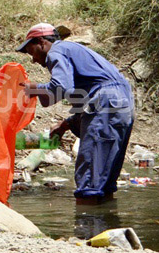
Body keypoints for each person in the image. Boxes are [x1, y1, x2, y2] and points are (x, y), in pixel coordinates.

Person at [16, 22, 134, 204]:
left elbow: (61, 87)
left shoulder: (56, 51)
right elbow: (90, 96)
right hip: (123, 103)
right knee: (105, 178)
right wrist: (66, 125)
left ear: (41, 42)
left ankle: (85, 227)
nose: (34, 60)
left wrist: (34, 89)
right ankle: (107, 225)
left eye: (32, 52)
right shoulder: (75, 51)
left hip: (105, 101)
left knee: (89, 178)